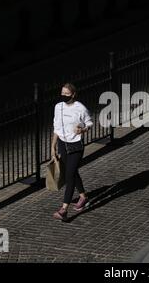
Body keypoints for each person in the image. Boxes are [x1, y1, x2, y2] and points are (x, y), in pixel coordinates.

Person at [51, 83, 93, 221]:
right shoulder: (58, 107)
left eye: (67, 94)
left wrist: (83, 130)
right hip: (63, 143)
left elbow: (89, 123)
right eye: (62, 93)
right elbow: (56, 127)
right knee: (72, 172)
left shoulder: (80, 108)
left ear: (73, 94)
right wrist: (53, 146)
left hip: (76, 145)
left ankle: (64, 209)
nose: (63, 96)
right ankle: (83, 197)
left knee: (69, 176)